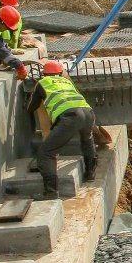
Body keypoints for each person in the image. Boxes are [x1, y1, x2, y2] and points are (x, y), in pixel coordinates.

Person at [26, 60, 96, 198]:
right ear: (60, 73)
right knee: (87, 140)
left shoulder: (43, 83)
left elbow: (31, 107)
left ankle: (51, 193)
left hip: (70, 117)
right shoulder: (67, 82)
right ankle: (90, 175)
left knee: (46, 153)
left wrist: (30, 100)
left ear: (44, 74)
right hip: (88, 113)